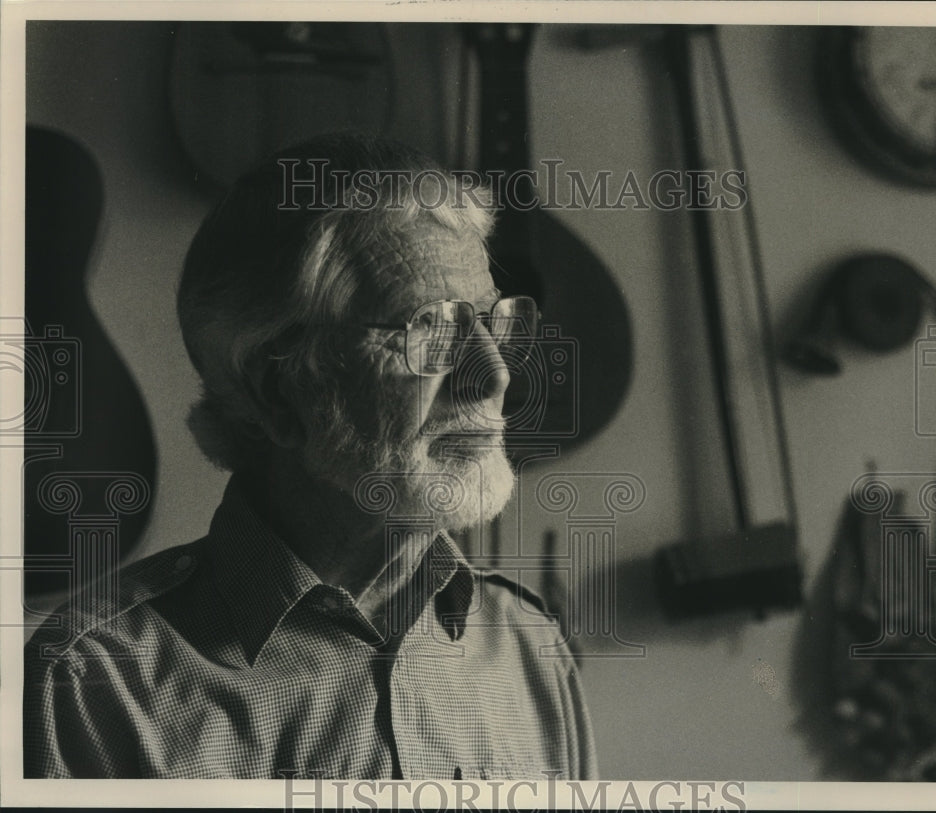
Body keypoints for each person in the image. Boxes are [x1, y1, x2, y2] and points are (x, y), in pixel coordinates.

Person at [23, 133, 597, 780]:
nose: (493, 377)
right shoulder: (96, 681)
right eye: (430, 331)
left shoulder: (529, 642)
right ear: (280, 391)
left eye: (496, 322)